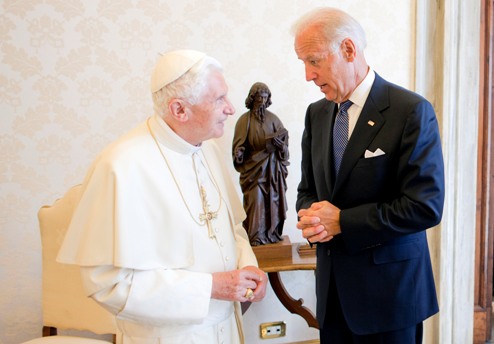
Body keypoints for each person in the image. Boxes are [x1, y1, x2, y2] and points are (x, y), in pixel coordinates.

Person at [57, 49, 267, 344]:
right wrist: (208, 287)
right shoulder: (120, 165)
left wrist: (248, 267)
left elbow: (232, 227)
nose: (231, 109)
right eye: (219, 99)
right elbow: (108, 284)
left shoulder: (208, 149)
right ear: (180, 110)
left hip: (228, 328)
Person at [292, 8, 445, 344]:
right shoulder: (316, 114)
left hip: (389, 297)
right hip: (332, 296)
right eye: (302, 62)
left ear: (349, 50)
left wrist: (342, 221)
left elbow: (424, 207)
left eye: (314, 61)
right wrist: (311, 216)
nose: (307, 75)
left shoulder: (410, 111)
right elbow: (307, 190)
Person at [232, 82, 289, 246]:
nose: (262, 101)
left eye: (265, 97)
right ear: (252, 98)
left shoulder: (274, 120)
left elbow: (285, 150)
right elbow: (238, 147)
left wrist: (281, 147)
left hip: (272, 172)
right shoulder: (244, 121)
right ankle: (256, 237)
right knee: (256, 201)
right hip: (253, 171)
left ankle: (272, 234)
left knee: (273, 202)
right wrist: (239, 154)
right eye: (259, 97)